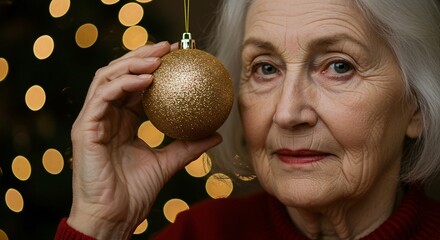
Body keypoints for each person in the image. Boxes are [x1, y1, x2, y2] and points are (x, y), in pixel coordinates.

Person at [55, 0, 440, 239]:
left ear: (417, 105)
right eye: (266, 69)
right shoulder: (201, 235)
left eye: (339, 66)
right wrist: (101, 225)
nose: (288, 113)